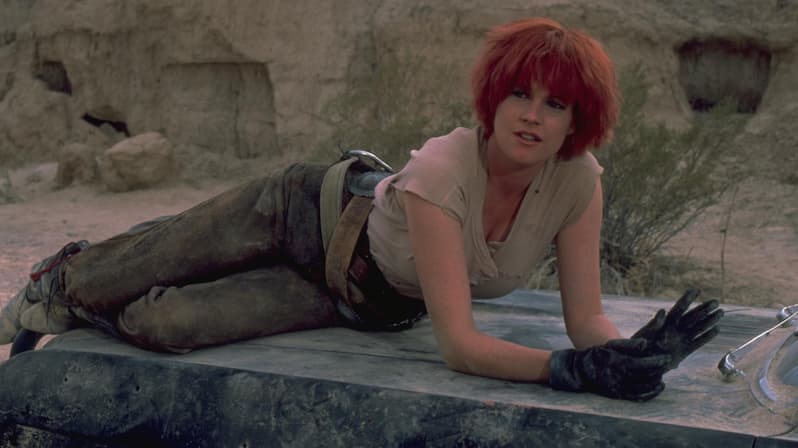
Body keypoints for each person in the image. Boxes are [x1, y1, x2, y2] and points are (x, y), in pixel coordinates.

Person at [0, 17, 722, 401]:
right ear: (493, 98)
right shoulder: (445, 168)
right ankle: (67, 276)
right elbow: (460, 346)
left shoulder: (578, 184)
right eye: (518, 94)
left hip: (352, 297)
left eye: (555, 103)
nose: (532, 115)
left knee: (162, 324)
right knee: (100, 282)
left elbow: (585, 320)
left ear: (577, 119)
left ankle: (121, 281)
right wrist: (568, 372)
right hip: (300, 211)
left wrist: (627, 355)